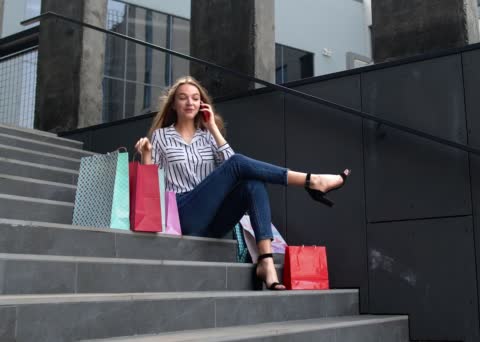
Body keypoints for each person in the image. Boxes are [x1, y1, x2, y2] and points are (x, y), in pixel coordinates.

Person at [135, 76, 349, 290]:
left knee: (253, 184)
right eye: (183, 98)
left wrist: (213, 128)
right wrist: (146, 156)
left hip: (213, 221)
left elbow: (235, 167)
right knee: (241, 165)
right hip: (183, 214)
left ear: (202, 104)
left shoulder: (207, 137)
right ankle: (311, 181)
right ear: (173, 104)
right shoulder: (161, 137)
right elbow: (151, 187)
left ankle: (265, 262)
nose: (190, 103)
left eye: (195, 98)